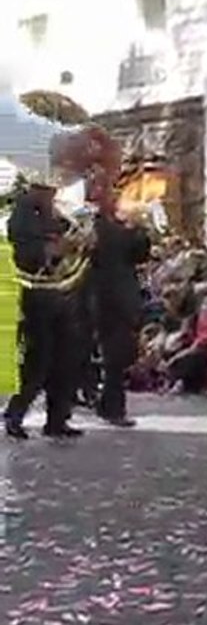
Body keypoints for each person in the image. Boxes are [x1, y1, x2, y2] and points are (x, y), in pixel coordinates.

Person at [1, 91, 122, 440]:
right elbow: (31, 253)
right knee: (38, 359)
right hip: (38, 296)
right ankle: (16, 414)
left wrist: (84, 243)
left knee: (67, 359)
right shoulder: (24, 212)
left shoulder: (56, 213)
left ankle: (58, 418)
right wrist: (61, 247)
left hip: (66, 297)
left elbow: (74, 246)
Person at [88, 191, 152, 428]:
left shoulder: (115, 228)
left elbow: (140, 255)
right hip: (110, 299)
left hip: (116, 297)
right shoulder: (102, 229)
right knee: (116, 354)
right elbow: (124, 245)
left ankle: (108, 404)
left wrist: (139, 230)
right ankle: (113, 408)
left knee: (118, 354)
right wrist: (137, 228)